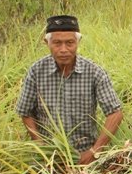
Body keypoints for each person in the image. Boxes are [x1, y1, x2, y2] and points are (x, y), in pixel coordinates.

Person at [16, 15, 124, 164]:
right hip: (49, 157)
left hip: (85, 155)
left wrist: (95, 151)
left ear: (78, 42)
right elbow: (25, 112)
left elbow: (115, 113)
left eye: (70, 43)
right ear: (47, 42)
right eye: (57, 43)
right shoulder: (36, 71)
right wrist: (41, 148)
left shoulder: (94, 72)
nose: (63, 50)